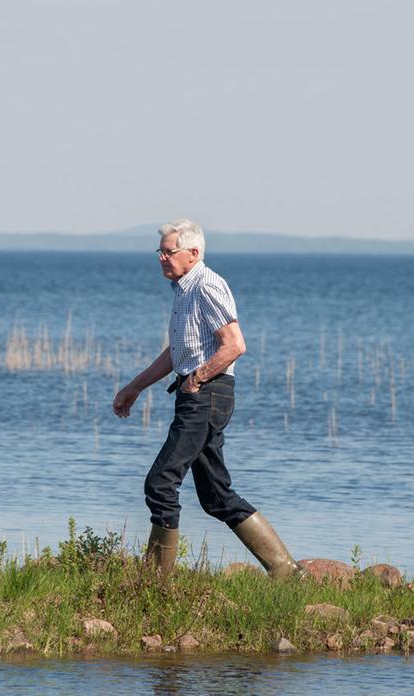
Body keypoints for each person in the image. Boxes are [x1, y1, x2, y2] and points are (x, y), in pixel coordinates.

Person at [112, 218, 301, 578]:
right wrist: (135, 386)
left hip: (206, 395)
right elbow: (178, 352)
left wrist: (197, 379)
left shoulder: (207, 286)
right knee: (216, 496)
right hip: (197, 394)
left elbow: (235, 345)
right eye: (160, 252)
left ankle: (155, 582)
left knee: (160, 483)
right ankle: (286, 571)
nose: (162, 259)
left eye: (169, 252)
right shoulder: (184, 289)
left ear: (193, 253)